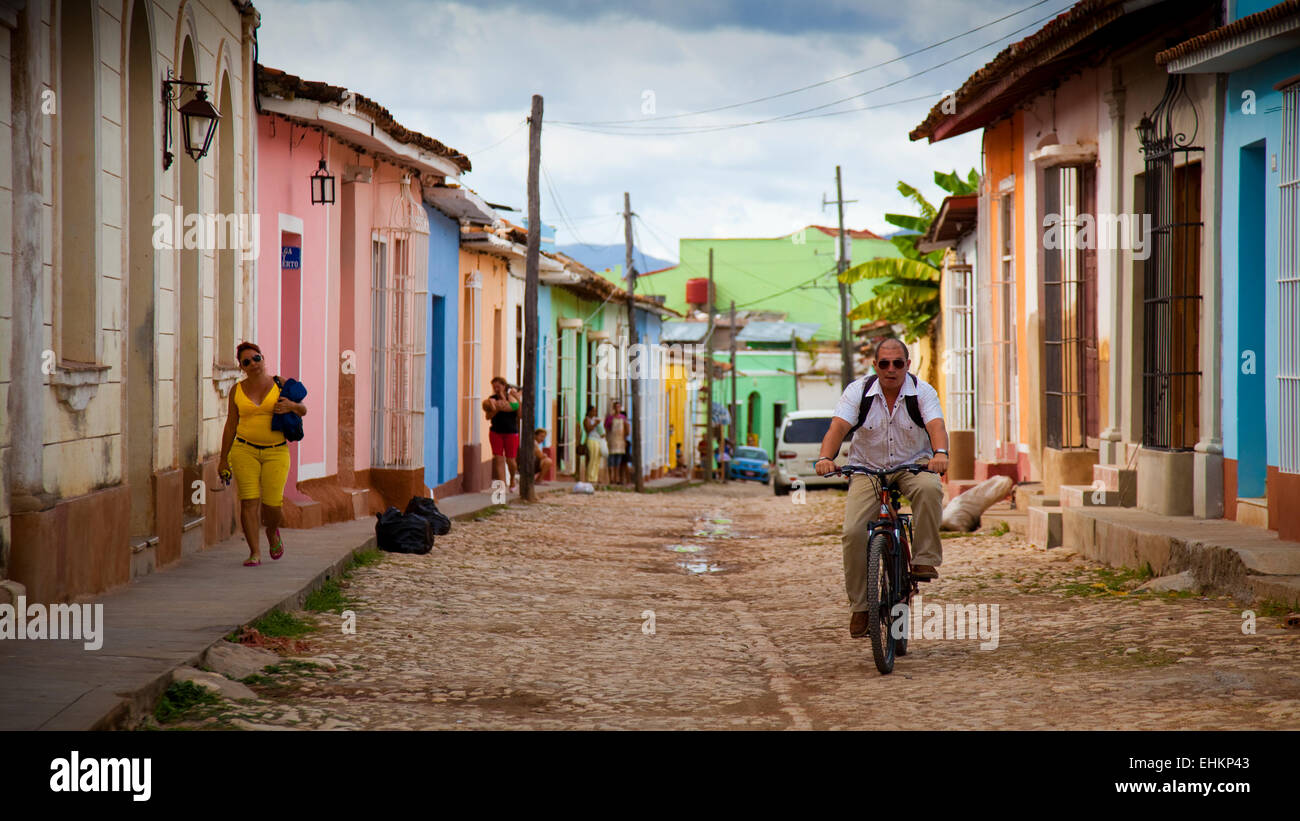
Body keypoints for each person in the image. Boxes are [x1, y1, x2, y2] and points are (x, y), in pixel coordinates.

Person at [814, 337, 949, 638]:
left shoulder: (922, 391)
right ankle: (861, 607)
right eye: (884, 364)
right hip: (868, 470)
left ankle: (924, 560)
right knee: (852, 532)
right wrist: (826, 457)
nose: (891, 369)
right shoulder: (858, 392)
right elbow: (837, 428)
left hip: (913, 466)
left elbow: (936, 426)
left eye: (898, 363)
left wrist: (940, 454)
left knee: (930, 490)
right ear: (875, 366)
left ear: (907, 365)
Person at [218, 342, 307, 566]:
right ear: (242, 367)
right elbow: (230, 425)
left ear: (263, 358)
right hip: (244, 450)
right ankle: (254, 552)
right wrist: (222, 459)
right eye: (247, 362)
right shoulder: (236, 391)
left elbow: (303, 409)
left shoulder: (281, 384)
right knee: (248, 501)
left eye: (256, 358)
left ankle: (272, 531)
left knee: (272, 505)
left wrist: (291, 407)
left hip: (275, 452)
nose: (253, 364)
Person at [482, 376, 521, 492]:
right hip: (496, 432)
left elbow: (520, 415)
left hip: (511, 432)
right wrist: (495, 409)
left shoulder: (513, 398)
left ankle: (513, 479)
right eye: (494, 387)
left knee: (511, 460)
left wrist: (518, 399)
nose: (496, 389)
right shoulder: (491, 399)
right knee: (499, 459)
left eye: (498, 386)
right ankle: (502, 486)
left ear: (504, 386)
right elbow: (487, 417)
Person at [605, 401, 631, 484]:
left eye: (619, 407)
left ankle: (617, 478)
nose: (617, 409)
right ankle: (611, 478)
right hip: (612, 440)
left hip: (620, 441)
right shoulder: (610, 418)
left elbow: (627, 429)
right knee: (611, 460)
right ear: (613, 408)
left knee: (618, 461)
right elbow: (607, 428)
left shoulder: (623, 418)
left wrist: (625, 437)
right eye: (616, 407)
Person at [583, 405, 604, 485]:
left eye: (595, 411)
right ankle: (590, 477)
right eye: (593, 411)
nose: (594, 413)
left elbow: (601, 431)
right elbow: (588, 429)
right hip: (591, 439)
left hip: (598, 440)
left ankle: (595, 477)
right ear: (589, 411)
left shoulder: (596, 419)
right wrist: (595, 424)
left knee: (597, 459)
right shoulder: (586, 420)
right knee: (592, 458)